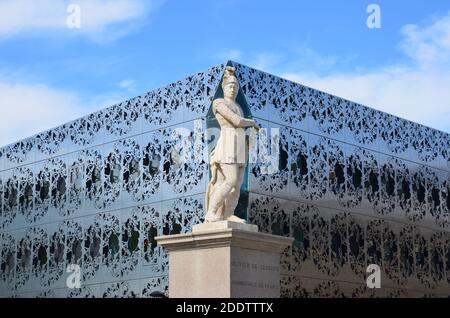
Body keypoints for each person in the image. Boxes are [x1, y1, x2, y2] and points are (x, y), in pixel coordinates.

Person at [205, 66, 260, 223]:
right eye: (230, 85)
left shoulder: (239, 107)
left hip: (240, 146)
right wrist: (253, 123)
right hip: (228, 144)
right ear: (224, 87)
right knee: (230, 180)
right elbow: (236, 121)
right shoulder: (219, 103)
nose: (233, 89)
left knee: (237, 185)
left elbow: (241, 123)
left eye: (236, 86)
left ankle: (228, 214)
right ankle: (212, 211)